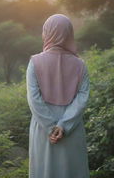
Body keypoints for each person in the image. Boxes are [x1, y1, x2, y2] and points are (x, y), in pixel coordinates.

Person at [26, 14, 90, 178]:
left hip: (42, 128)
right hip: (72, 128)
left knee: (44, 170)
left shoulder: (35, 62)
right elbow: (82, 99)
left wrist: (50, 127)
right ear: (69, 34)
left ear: (47, 33)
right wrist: (63, 126)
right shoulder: (80, 65)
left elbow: (34, 99)